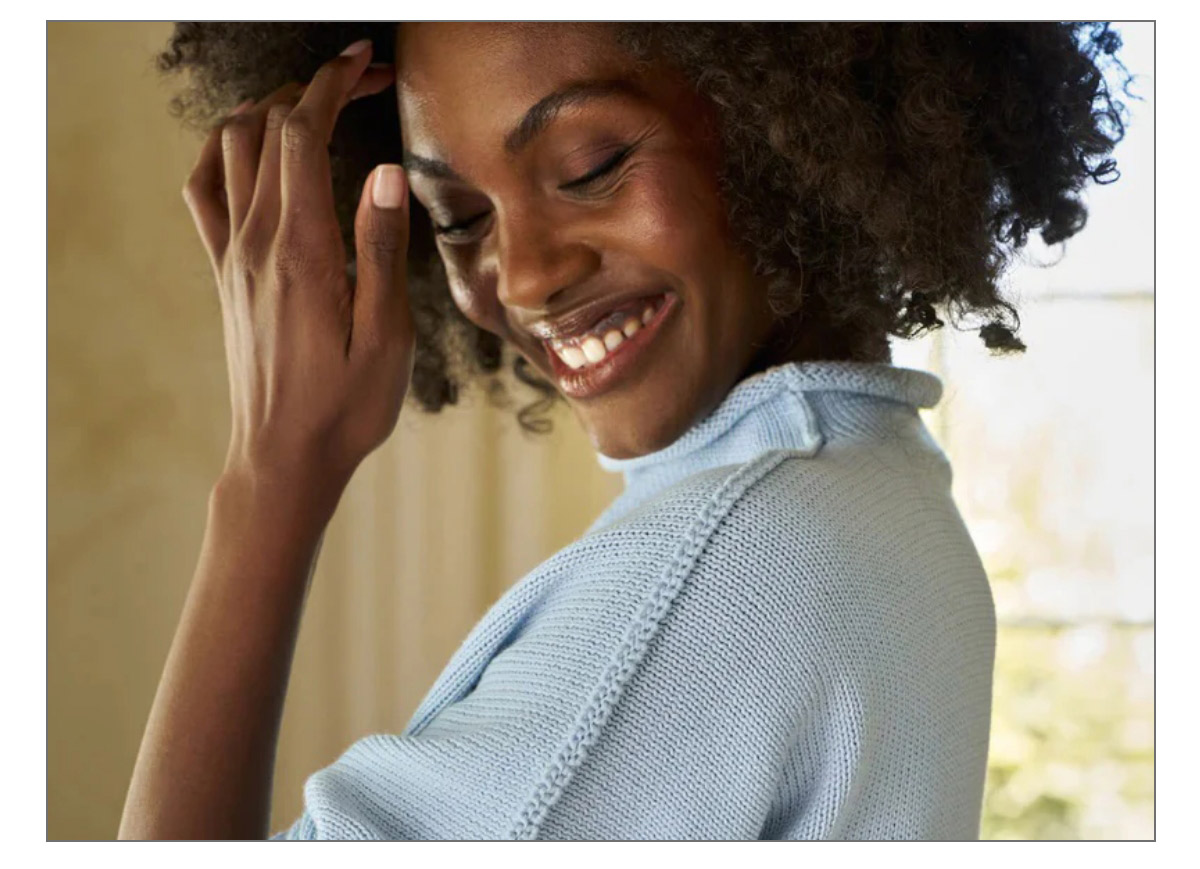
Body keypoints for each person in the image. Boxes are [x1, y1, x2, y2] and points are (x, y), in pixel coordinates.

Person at [119, 22, 1131, 840]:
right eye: (460, 217)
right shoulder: (873, 483)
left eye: (590, 164)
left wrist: (272, 476)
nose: (522, 276)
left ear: (790, 124)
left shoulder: (735, 566)